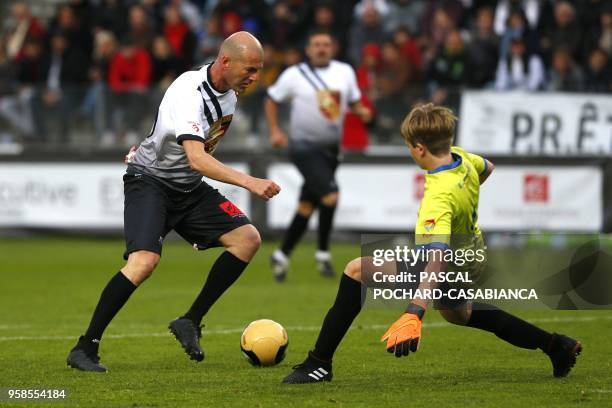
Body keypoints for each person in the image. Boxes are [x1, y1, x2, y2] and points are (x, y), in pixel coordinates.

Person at [282, 103, 582, 384]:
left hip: (451, 262)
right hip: (472, 254)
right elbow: (487, 168)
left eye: (409, 146)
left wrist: (415, 310)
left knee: (356, 270)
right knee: (460, 313)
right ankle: (556, 345)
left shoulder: (438, 198)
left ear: (419, 147)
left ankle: (318, 363)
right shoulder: (461, 157)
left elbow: (435, 260)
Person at [67, 31, 281, 373]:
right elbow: (196, 157)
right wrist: (248, 181)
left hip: (188, 188)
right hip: (149, 181)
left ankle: (190, 321)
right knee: (143, 262)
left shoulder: (229, 96)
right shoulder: (188, 90)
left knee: (247, 239)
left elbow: (196, 153)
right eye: (251, 69)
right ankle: (85, 347)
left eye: (258, 70)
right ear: (226, 61)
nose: (255, 78)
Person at [265, 28, 372, 282]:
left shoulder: (344, 72)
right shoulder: (294, 74)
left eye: (326, 44)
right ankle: (323, 253)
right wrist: (275, 130)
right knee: (331, 196)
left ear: (332, 48)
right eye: (316, 44)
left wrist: (361, 111)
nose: (321, 48)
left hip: (332, 149)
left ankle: (281, 254)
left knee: (307, 206)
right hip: (303, 147)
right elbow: (271, 99)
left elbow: (354, 101)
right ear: (308, 49)